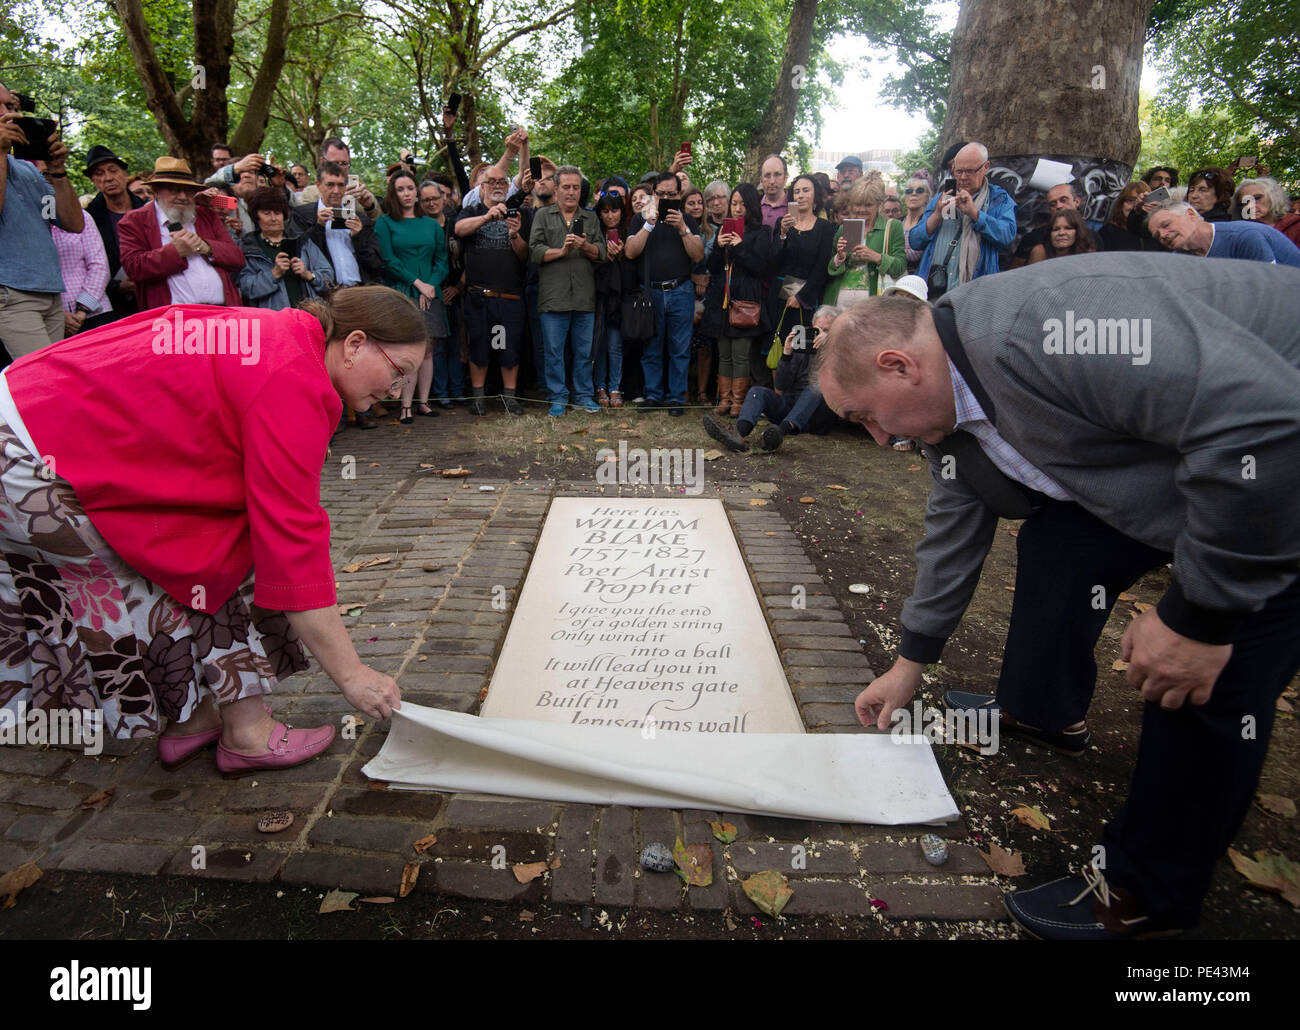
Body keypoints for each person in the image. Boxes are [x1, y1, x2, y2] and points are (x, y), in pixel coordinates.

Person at [814, 252, 1300, 940]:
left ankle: (1144, 892)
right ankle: (1044, 710)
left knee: (1200, 680)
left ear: (899, 365)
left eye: (865, 415)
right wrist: (909, 662)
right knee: (1061, 544)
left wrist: (1198, 613)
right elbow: (953, 534)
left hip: (1277, 477)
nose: (877, 437)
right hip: (1186, 468)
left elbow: (1266, 427)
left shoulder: (1050, 328)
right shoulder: (948, 410)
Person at [0, 287, 422, 772]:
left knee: (214, 550)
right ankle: (242, 730)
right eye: (397, 372)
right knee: (186, 567)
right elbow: (292, 541)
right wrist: (353, 675)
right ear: (354, 344)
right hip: (32, 455)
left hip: (28, 405)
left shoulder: (280, 333)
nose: (394, 391)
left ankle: (198, 719)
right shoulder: (293, 378)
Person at [0, 83, 84, 358]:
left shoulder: (29, 169)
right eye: (0, 107)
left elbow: (73, 223)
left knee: (52, 382)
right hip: (11, 294)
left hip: (50, 293)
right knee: (43, 383)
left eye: (12, 107)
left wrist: (58, 171)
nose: (11, 115)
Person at [703, 305, 839, 453]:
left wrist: (831, 344)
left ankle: (780, 432)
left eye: (827, 331)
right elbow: (780, 386)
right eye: (818, 329)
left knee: (816, 387)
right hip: (792, 409)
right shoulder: (802, 348)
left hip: (818, 415)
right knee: (757, 391)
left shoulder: (842, 352)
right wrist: (786, 354)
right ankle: (738, 435)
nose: (820, 334)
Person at [624, 171, 705, 415]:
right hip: (652, 293)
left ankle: (676, 399)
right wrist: (649, 223)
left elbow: (698, 255)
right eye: (660, 194)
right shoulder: (641, 219)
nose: (665, 198)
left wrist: (682, 228)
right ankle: (653, 395)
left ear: (680, 195)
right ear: (653, 194)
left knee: (680, 348)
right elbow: (630, 251)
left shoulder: (688, 220)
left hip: (681, 290)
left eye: (671, 194)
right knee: (652, 347)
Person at [117, 157, 245, 310]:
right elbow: (133, 268)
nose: (183, 196)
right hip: (172, 319)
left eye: (188, 190)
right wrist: (175, 252)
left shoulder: (206, 215)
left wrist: (206, 247)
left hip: (222, 312)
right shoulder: (134, 220)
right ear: (157, 191)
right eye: (174, 190)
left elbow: (237, 258)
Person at [453, 167, 531, 415]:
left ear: (509, 187)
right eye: (491, 181)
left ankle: (509, 397)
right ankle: (478, 397)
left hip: (509, 297)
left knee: (509, 348)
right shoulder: (471, 211)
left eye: (502, 181)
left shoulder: (519, 214)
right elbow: (459, 229)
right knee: (479, 348)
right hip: (479, 296)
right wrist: (487, 217)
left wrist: (515, 234)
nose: (497, 185)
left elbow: (525, 256)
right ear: (482, 187)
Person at [529, 165, 606, 416]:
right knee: (553, 352)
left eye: (575, 187)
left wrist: (585, 246)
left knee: (584, 352)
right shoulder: (542, 215)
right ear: (556, 188)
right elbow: (535, 251)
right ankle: (558, 397)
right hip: (553, 297)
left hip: (584, 297)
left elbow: (602, 253)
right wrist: (561, 252)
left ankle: (584, 395)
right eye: (566, 187)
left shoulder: (590, 217)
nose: (571, 192)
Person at [375, 170, 450, 424]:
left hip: (431, 292)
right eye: (400, 189)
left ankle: (424, 402)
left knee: (428, 349)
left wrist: (430, 285)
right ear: (393, 194)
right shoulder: (385, 223)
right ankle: (405, 406)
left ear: (416, 191)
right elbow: (388, 260)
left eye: (410, 188)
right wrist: (417, 284)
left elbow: (442, 260)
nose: (406, 194)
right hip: (403, 292)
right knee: (408, 350)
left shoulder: (431, 224)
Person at [700, 183, 775, 418]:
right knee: (724, 352)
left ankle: (739, 402)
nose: (738, 208)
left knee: (741, 352)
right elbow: (712, 268)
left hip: (745, 300)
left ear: (752, 205)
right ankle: (724, 399)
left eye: (743, 203)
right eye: (734, 203)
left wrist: (740, 246)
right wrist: (718, 247)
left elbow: (761, 267)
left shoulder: (761, 232)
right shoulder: (723, 229)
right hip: (721, 298)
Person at [908, 142, 1016, 294]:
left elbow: (1006, 235)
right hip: (934, 288)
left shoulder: (998, 198)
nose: (963, 177)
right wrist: (937, 215)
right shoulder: (943, 196)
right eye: (958, 172)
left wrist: (974, 214)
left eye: (970, 171)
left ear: (986, 167)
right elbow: (915, 241)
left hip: (976, 292)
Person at [770, 174, 835, 387]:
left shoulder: (825, 227)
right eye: (797, 191)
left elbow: (822, 267)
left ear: (815, 196)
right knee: (779, 342)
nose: (801, 195)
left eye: (806, 190)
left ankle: (799, 398)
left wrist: (802, 297)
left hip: (807, 296)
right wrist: (782, 234)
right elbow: (774, 260)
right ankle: (777, 396)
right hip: (781, 293)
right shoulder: (783, 223)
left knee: (804, 346)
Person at [289, 160, 385, 287]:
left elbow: (375, 264)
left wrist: (358, 237)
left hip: (359, 290)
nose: (336, 191)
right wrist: (318, 227)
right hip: (324, 291)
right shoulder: (302, 215)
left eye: (341, 185)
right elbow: (297, 253)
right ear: (318, 185)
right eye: (330, 185)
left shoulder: (359, 218)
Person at [82, 145, 149, 326]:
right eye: (99, 173)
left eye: (113, 170)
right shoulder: (88, 219)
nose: (108, 178)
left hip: (153, 297)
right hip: (112, 307)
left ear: (124, 174)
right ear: (93, 180)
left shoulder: (149, 209)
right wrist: (117, 287)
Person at [237, 186, 333, 309]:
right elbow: (246, 288)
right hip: (273, 319)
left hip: (309, 315)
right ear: (256, 217)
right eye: (266, 213)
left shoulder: (302, 241)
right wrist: (274, 274)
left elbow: (329, 278)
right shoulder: (248, 247)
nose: (273, 218)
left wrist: (308, 275)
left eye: (277, 213)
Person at [824, 175, 905, 305]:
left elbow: (900, 267)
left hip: (873, 305)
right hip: (839, 301)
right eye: (857, 204)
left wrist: (877, 257)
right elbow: (830, 269)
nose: (861, 209)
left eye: (868, 205)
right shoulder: (844, 228)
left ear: (879, 204)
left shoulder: (892, 226)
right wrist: (839, 257)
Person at [1147, 199, 1300, 266]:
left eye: (1166, 225)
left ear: (1191, 214)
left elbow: (1267, 294)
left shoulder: (1245, 236)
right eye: (1156, 235)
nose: (1163, 235)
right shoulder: (1179, 259)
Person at [592, 193, 628, 407]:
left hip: (619, 299)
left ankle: (615, 387)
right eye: (605, 211)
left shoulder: (628, 234)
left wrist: (621, 255)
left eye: (614, 210)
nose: (610, 216)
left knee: (615, 345)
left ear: (621, 213)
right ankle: (600, 387)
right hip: (598, 297)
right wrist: (604, 255)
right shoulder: (595, 235)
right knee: (599, 344)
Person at [1011, 181, 1098, 267]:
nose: (1059, 206)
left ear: (1077, 202)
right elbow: (1015, 271)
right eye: (1053, 204)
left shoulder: (1093, 237)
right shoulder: (1033, 238)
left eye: (1063, 200)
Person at [1233, 177, 1300, 247]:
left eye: (1257, 198)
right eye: (1244, 202)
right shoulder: (1240, 232)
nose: (1249, 206)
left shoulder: (1296, 226)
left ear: (1274, 196)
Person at [1097, 181, 1154, 251]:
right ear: (1121, 204)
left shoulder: (1155, 234)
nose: (1134, 207)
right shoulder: (1107, 232)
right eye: (1130, 201)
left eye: (1140, 202)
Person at [1027, 208, 1096, 262]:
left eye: (1068, 228)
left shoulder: (1087, 253)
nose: (1061, 233)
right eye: (1056, 229)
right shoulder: (1040, 252)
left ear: (1078, 232)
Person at [900, 174, 932, 275]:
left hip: (921, 276)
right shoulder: (897, 222)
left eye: (919, 191)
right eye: (909, 191)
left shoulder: (929, 223)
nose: (913, 194)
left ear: (927, 197)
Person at [758, 154, 790, 231]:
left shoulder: (795, 205)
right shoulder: (754, 206)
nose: (772, 181)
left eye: (777, 174)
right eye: (767, 175)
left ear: (785, 178)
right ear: (761, 180)